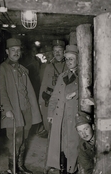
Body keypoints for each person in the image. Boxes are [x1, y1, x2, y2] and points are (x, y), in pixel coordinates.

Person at [0, 38, 42, 174]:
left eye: (18, 50)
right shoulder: (3, 68)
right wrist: (7, 109)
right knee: (15, 141)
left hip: (26, 110)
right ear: (7, 52)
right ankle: (12, 168)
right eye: (13, 50)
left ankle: (20, 166)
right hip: (14, 111)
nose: (16, 53)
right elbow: (2, 90)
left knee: (23, 139)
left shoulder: (22, 69)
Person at [46, 45, 79, 174]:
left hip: (73, 116)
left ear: (78, 59)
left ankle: (72, 170)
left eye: (72, 59)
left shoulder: (84, 76)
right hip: (60, 115)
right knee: (60, 144)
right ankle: (62, 169)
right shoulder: (62, 76)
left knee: (72, 145)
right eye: (67, 59)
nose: (69, 62)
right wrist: (50, 113)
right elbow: (54, 97)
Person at [38, 39, 67, 137]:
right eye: (55, 51)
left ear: (64, 52)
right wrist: (41, 102)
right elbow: (44, 84)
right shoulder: (49, 67)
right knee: (49, 124)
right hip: (50, 98)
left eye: (59, 50)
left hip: (64, 97)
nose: (57, 53)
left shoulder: (68, 65)